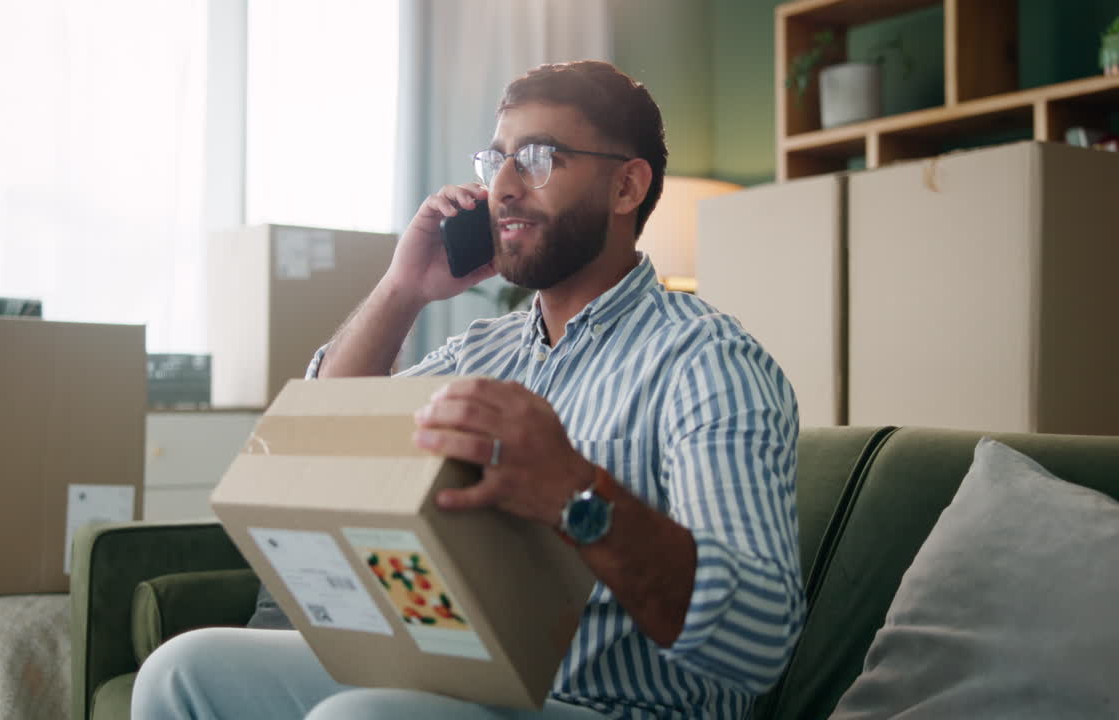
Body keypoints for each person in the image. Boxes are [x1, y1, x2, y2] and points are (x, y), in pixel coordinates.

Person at [133, 60, 804, 720]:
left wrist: (577, 492)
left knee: (362, 718)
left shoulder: (709, 363)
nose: (502, 189)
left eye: (538, 159)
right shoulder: (484, 349)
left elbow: (761, 637)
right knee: (181, 671)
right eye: (496, 162)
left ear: (626, 187)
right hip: (464, 688)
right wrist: (403, 289)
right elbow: (318, 437)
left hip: (615, 709)